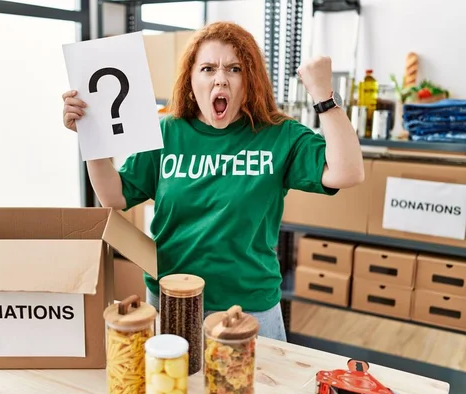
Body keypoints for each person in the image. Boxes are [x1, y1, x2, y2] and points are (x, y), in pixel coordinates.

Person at [62, 22, 364, 341]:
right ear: (191, 81)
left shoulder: (280, 135)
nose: (220, 78)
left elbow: (347, 172)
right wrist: (91, 137)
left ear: (250, 81)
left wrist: (323, 98)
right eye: (207, 68)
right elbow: (114, 197)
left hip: (249, 309)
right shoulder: (167, 131)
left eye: (234, 69)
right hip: (172, 300)